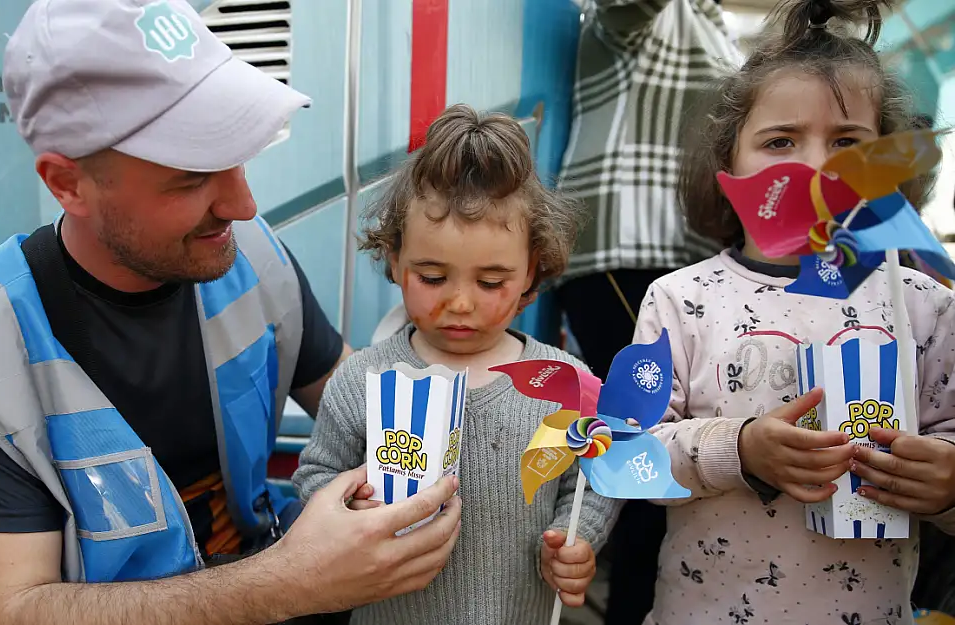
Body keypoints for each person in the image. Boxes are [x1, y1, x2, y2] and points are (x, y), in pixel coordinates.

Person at [0, 0, 462, 623]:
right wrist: (291, 581)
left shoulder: (252, 256)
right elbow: (13, 610)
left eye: (237, 151)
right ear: (68, 183)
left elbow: (373, 411)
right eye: (191, 177)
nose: (242, 203)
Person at [632, 1, 955, 622]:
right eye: (781, 140)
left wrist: (947, 487)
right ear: (728, 162)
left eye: (847, 143)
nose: (813, 165)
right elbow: (630, 457)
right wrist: (741, 450)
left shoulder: (924, 306)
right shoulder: (680, 300)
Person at [292, 104, 622, 625]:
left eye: (491, 282)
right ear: (396, 260)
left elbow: (592, 476)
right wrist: (348, 507)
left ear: (532, 271)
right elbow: (317, 473)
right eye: (432, 276)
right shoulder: (362, 381)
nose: (461, 303)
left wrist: (577, 538)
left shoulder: (564, 385)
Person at [552, 3, 745, 621]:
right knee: (643, 453)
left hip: (689, 257)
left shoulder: (720, 26)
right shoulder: (632, 19)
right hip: (622, 251)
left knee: (664, 449)